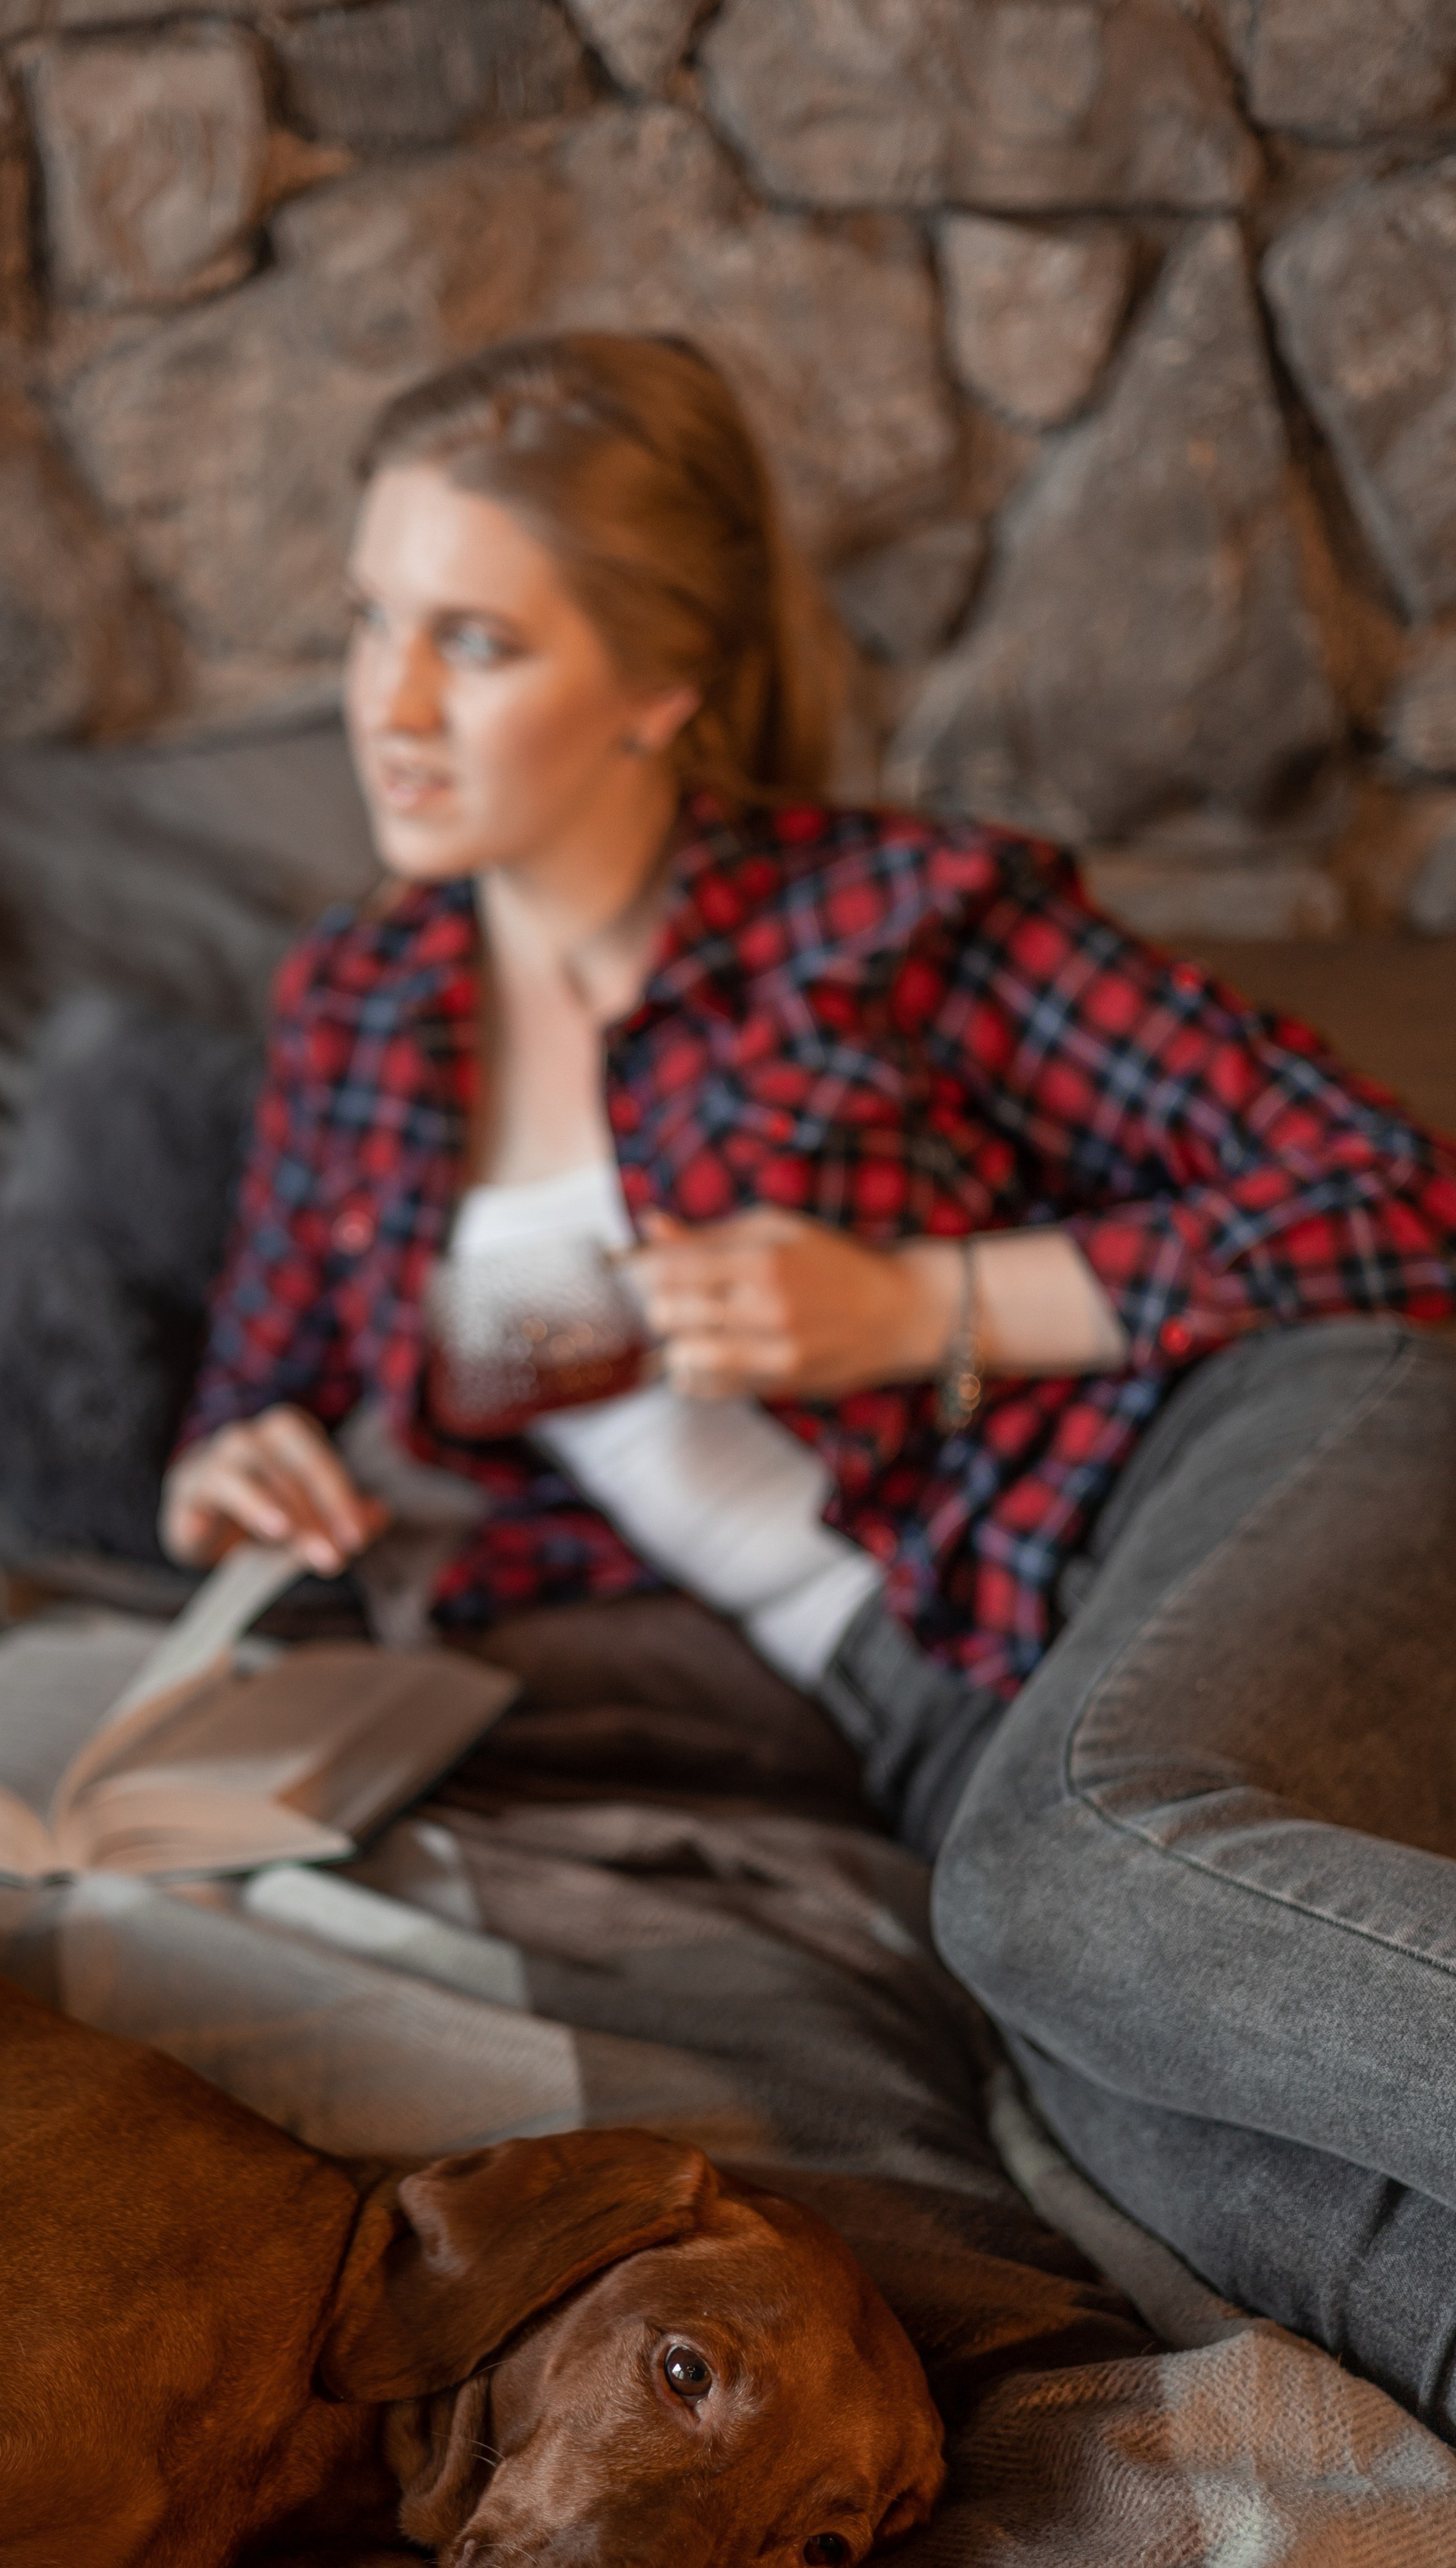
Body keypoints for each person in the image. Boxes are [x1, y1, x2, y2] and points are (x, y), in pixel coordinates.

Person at [161, 331, 1456, 2434]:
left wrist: (925, 1307)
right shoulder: (360, 1009)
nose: (385, 706)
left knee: (1058, 1886)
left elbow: (1392, 1196)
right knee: (1153, 2155)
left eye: (473, 642)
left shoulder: (889, 921)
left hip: (1236, 1449)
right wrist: (241, 1470)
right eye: (373, 622)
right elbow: (253, 1394)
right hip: (934, 1698)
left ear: (662, 689)